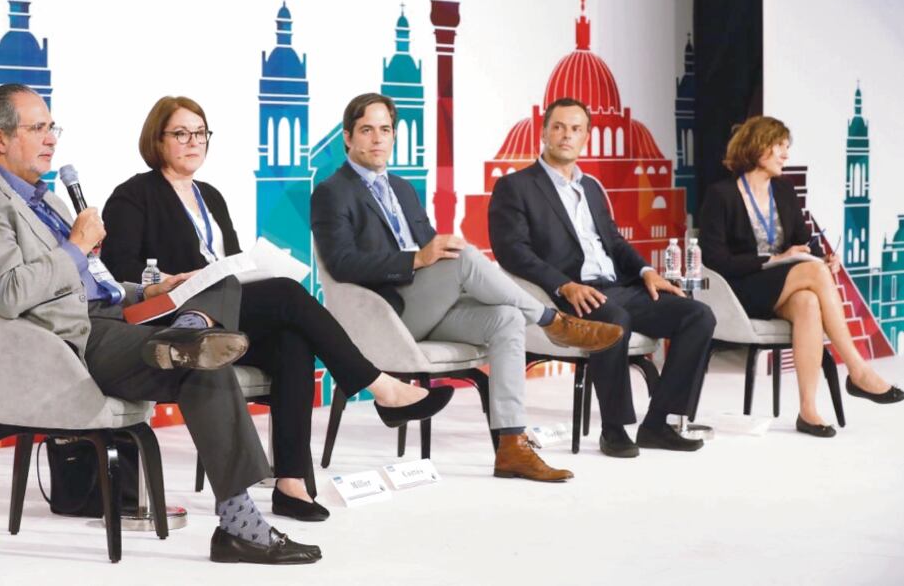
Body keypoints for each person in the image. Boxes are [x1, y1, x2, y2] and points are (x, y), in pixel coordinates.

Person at [0, 84, 321, 565]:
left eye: (52, 127)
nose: (51, 138)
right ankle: (241, 524)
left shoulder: (46, 200)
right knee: (202, 360)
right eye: (37, 128)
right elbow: (10, 293)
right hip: (71, 340)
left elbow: (93, 281)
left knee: (213, 294)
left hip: (116, 315)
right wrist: (75, 246)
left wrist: (151, 292)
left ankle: (190, 330)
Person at [100, 95, 453, 521]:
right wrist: (171, 280)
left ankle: (290, 484)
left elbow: (228, 263)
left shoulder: (209, 195)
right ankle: (378, 385)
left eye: (200, 132)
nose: (194, 142)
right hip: (178, 321)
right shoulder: (133, 195)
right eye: (181, 133)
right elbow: (120, 271)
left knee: (291, 341)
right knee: (286, 294)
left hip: (225, 307)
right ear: (157, 140)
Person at [311, 92, 624, 482]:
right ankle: (551, 319)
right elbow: (341, 264)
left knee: (506, 316)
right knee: (464, 257)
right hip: (386, 315)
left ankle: (511, 445)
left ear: (394, 136)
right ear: (348, 137)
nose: (377, 139)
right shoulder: (331, 191)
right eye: (367, 130)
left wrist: (435, 256)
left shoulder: (403, 188)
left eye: (385, 130)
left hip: (427, 305)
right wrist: (417, 260)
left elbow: (430, 247)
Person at [489, 98, 716, 457]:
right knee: (615, 318)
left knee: (697, 315)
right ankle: (614, 428)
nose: (566, 135)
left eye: (576, 129)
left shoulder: (591, 187)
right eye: (559, 127)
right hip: (567, 294)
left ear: (587, 137)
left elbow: (613, 241)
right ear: (544, 131)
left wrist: (647, 271)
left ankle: (658, 423)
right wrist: (563, 284)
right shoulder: (516, 186)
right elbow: (511, 250)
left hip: (618, 286)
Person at [699, 115, 903, 437]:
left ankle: (808, 411)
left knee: (808, 302)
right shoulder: (721, 194)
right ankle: (857, 369)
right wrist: (775, 258)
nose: (785, 154)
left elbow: (801, 242)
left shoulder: (783, 191)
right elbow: (715, 260)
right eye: (779, 146)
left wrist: (823, 259)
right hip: (739, 290)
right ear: (758, 147)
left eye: (786, 147)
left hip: (781, 285)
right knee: (810, 275)